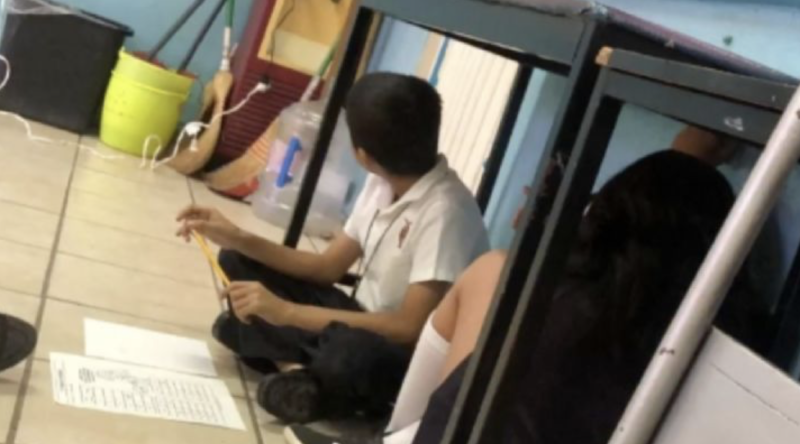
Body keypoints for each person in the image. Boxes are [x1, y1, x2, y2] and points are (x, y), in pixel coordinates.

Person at [283, 149, 764, 444]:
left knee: (356, 349)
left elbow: (428, 390)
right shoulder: (707, 361)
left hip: (419, 401)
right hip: (421, 391)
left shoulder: (542, 293)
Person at [176, 73, 489, 424]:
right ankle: (296, 372)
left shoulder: (446, 212)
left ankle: (277, 354)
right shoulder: (381, 181)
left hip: (398, 350)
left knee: (351, 354)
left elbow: (408, 328)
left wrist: (286, 313)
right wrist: (235, 236)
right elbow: (327, 268)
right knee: (238, 260)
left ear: (362, 155)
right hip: (357, 316)